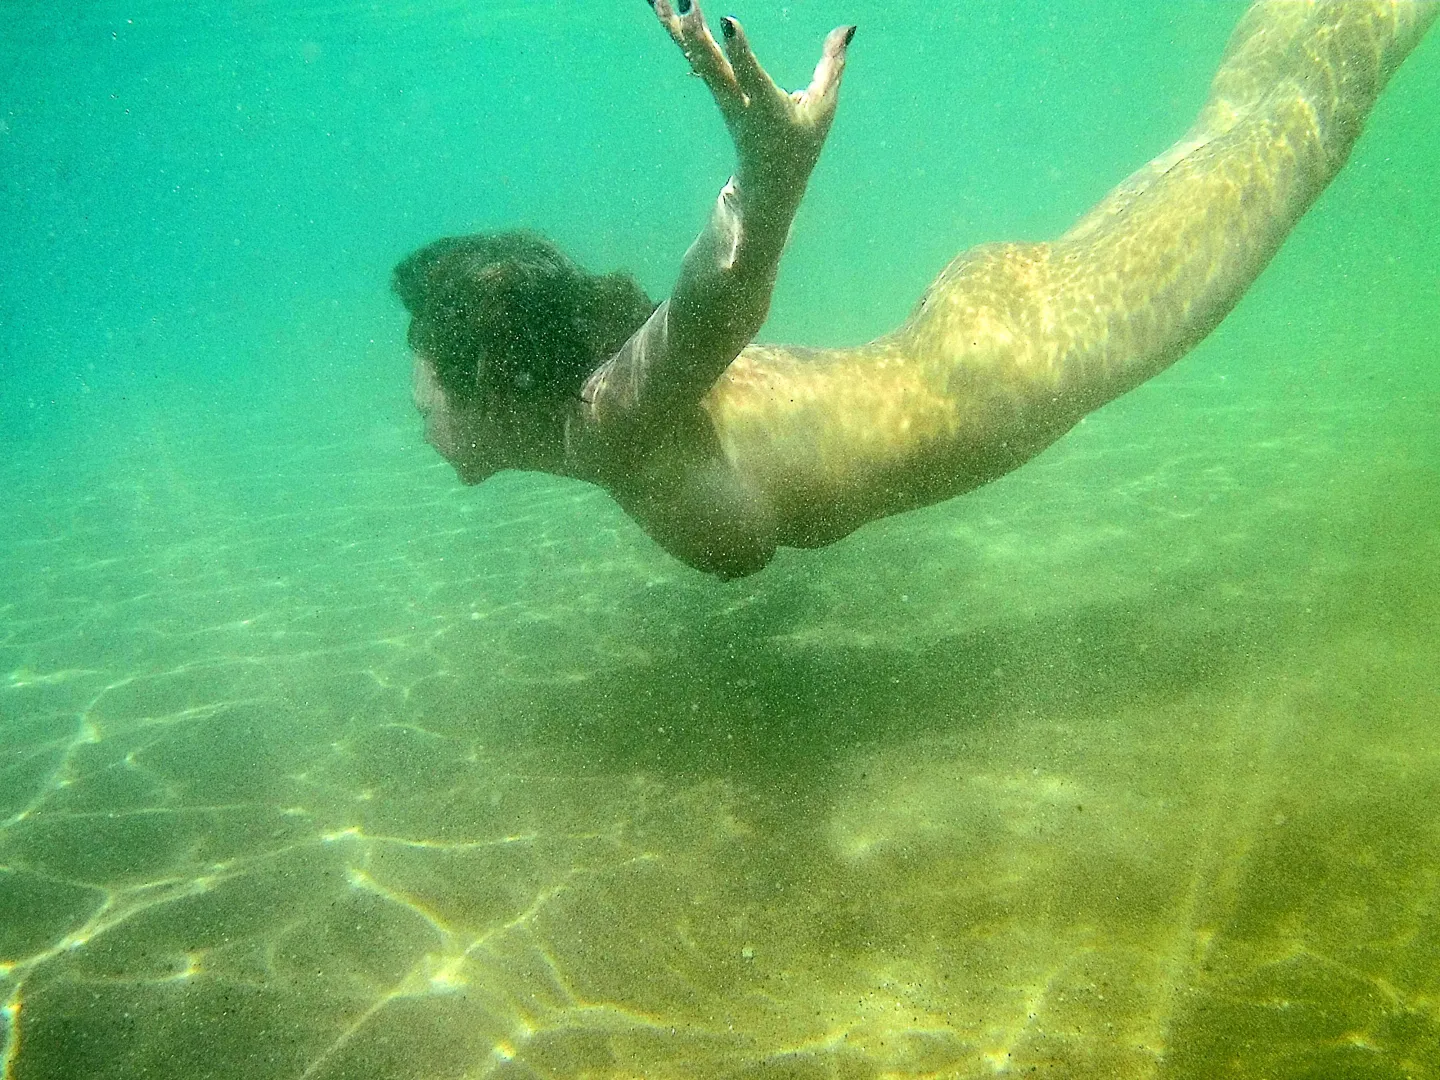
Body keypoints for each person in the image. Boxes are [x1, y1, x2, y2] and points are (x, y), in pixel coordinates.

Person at [395, 0, 1435, 580]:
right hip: (989, 336)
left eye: (422, 378)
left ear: (486, 376)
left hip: (1022, 357)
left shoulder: (611, 423)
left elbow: (712, 311)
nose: (413, 406)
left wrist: (767, 178)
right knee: (1253, 117)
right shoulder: (613, 426)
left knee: (1298, 118)